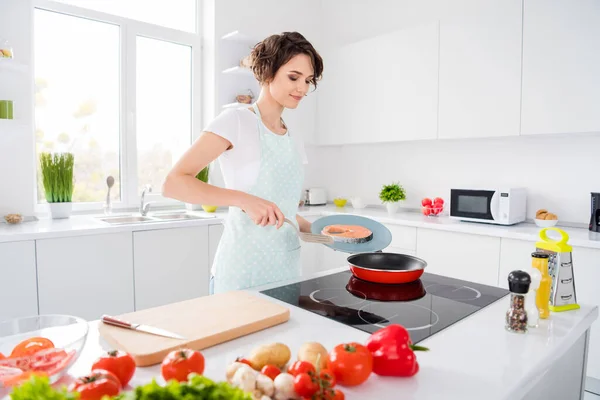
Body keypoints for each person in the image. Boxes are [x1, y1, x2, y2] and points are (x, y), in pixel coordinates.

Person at [163, 31, 324, 295]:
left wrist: (326, 233)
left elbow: (281, 209)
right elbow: (173, 184)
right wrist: (243, 199)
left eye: (308, 81)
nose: (302, 88)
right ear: (268, 72)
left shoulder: (294, 136)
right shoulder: (235, 121)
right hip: (241, 272)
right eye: (293, 77)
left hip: (286, 271)